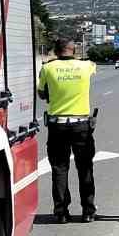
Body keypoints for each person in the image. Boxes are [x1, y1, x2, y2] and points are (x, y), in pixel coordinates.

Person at [38, 39, 98, 222]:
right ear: (74, 50)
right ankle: (88, 210)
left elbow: (41, 93)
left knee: (59, 168)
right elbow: (94, 67)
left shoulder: (47, 68)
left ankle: (61, 211)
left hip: (58, 125)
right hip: (81, 125)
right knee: (85, 167)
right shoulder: (86, 66)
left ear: (55, 51)